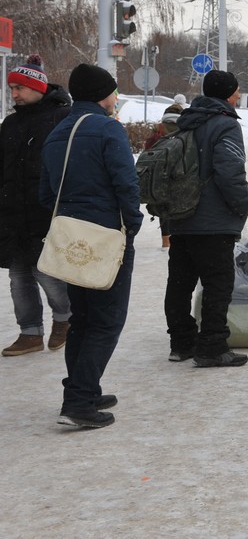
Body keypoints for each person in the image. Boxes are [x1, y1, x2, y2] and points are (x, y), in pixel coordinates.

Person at [40, 64, 142, 428]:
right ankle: (80, 401)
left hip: (71, 237)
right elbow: (126, 183)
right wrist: (133, 224)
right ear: (104, 94)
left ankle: (84, 387)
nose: (116, 99)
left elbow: (46, 193)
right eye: (114, 92)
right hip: (106, 236)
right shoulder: (108, 129)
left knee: (82, 319)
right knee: (106, 320)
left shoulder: (57, 132)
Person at [163, 69, 248, 368]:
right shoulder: (225, 125)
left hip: (181, 215)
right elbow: (229, 171)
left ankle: (182, 342)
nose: (239, 95)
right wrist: (243, 204)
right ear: (228, 94)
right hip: (213, 221)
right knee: (218, 283)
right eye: (237, 91)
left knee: (180, 282)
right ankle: (212, 346)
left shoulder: (186, 122)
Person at [1, 54, 72, 357]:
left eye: (20, 88)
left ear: (38, 87)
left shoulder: (61, 118)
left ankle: (65, 318)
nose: (14, 94)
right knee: (18, 277)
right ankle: (29, 332)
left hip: (46, 210)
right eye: (12, 88)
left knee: (46, 272)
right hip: (12, 212)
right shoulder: (11, 123)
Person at [143, 103, 184, 250]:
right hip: (178, 176)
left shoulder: (157, 130)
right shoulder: (184, 130)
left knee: (163, 209)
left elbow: (147, 151)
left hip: (158, 178)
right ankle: (175, 240)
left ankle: (166, 242)